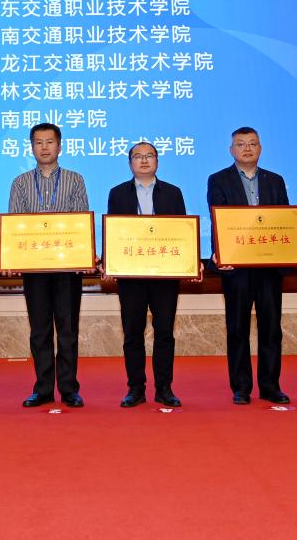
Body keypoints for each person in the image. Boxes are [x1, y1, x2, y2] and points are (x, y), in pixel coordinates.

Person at [208, 127, 297, 406]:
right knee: (238, 329)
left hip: (269, 267)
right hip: (237, 267)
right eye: (241, 144)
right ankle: (241, 387)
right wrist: (220, 252)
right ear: (231, 150)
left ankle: (270, 386)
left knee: (271, 329)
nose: (247, 148)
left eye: (252, 143)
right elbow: (219, 219)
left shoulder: (275, 180)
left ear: (260, 148)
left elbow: (285, 220)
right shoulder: (218, 179)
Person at [8, 123, 90, 408]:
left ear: (60, 146)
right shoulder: (20, 183)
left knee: (67, 331)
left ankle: (68, 388)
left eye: (49, 142)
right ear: (31, 147)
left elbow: (81, 222)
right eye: (38, 142)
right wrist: (12, 258)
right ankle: (43, 388)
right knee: (40, 331)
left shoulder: (75, 180)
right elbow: (15, 225)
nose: (44, 147)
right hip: (35, 270)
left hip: (67, 269)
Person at [106, 142, 187, 408]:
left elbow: (182, 232)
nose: (144, 161)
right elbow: (114, 232)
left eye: (149, 156)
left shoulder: (173, 193)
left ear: (157, 161)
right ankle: (135, 388)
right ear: (130, 163)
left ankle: (164, 388)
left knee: (164, 332)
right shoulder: (118, 193)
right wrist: (110, 262)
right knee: (133, 333)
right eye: (138, 156)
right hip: (131, 276)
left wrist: (188, 261)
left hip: (165, 275)